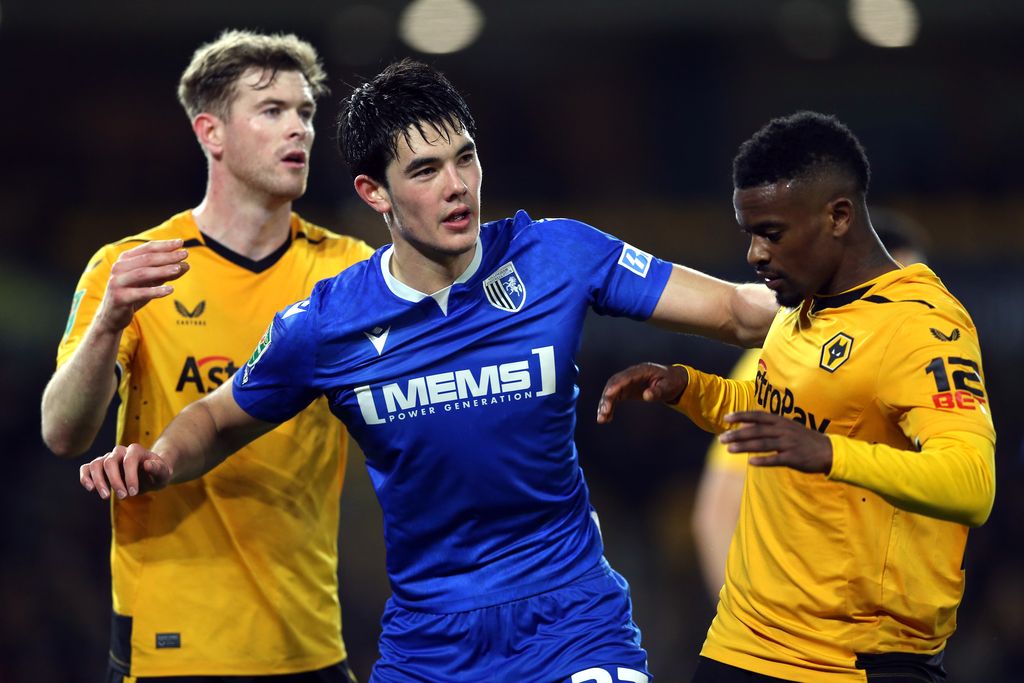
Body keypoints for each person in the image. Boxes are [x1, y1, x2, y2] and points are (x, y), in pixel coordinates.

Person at [76, 59, 778, 683]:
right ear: (373, 191)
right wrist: (161, 456)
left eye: (465, 158)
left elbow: (743, 312)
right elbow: (217, 416)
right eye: (424, 170)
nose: (457, 187)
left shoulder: (556, 257)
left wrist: (878, 298)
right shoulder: (327, 323)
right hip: (431, 646)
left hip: (571, 623)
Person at [597, 111, 996, 682]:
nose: (755, 254)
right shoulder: (799, 305)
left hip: (852, 662)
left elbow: (972, 483)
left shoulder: (922, 326)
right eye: (750, 233)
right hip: (742, 645)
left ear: (838, 216)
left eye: (772, 233)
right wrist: (692, 390)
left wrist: (830, 453)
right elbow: (781, 410)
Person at [41, 30, 374, 681]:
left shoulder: (348, 272)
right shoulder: (129, 268)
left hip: (308, 642)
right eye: (272, 111)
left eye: (305, 112)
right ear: (211, 133)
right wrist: (109, 320)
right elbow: (62, 431)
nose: (298, 130)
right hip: (174, 644)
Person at [690, 212, 931, 600]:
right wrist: (743, 623)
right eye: (894, 286)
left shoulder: (927, 370)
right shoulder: (781, 361)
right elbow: (717, 512)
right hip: (802, 615)